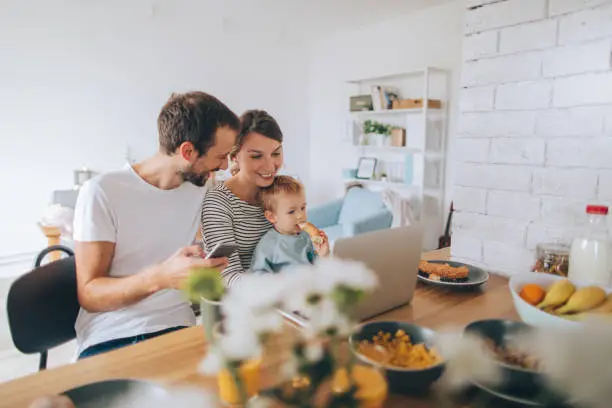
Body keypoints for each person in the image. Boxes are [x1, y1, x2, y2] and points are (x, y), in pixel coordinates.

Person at [73, 91, 239, 359]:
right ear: (188, 151)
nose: (223, 166)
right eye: (220, 156)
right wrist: (160, 277)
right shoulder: (103, 191)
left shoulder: (201, 189)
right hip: (113, 335)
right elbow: (90, 294)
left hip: (179, 329)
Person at [201, 110, 286, 286]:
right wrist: (282, 282)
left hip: (287, 297)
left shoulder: (281, 191)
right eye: (256, 156)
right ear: (234, 157)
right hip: (244, 302)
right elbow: (228, 277)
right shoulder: (218, 202)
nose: (270, 165)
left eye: (276, 153)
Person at [250, 175, 329, 274]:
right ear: (272, 217)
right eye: (291, 212)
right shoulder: (268, 244)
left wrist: (322, 254)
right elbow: (257, 274)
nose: (300, 215)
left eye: (303, 208)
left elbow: (315, 266)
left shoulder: (305, 236)